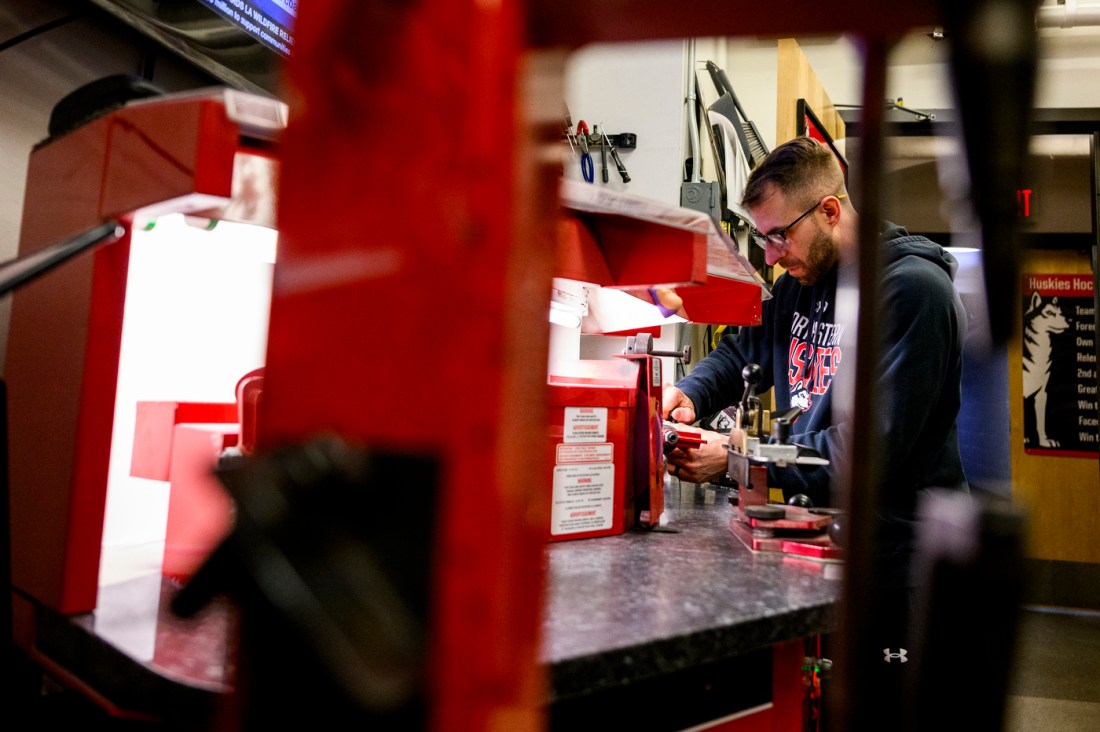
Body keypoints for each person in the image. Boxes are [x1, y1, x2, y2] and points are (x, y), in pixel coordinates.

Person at [662, 136, 969, 717]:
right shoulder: (797, 285)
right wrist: (688, 393)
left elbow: (866, 454)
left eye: (780, 235)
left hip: (894, 570)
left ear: (829, 210)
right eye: (763, 237)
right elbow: (741, 353)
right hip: (822, 547)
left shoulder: (912, 294)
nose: (772, 254)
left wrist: (733, 459)